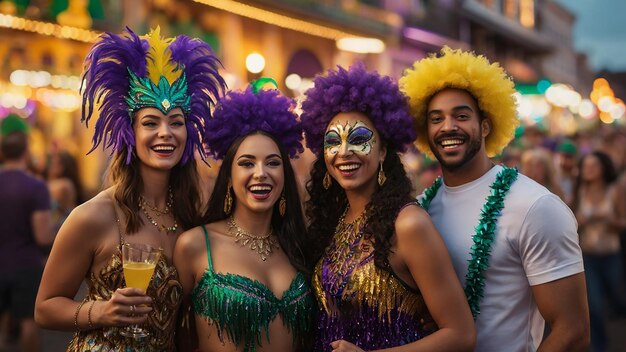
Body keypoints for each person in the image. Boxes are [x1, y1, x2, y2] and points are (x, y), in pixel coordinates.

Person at [34, 27, 225, 351]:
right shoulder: (92, 216)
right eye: (151, 122)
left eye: (175, 122)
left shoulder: (193, 217)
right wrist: (101, 311)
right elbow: (45, 307)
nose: (166, 133)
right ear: (130, 132)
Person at [400, 47, 590, 351]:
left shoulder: (534, 207)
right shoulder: (419, 208)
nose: (447, 126)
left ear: (486, 126)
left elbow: (573, 332)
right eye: (436, 119)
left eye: (461, 116)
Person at [301, 63, 475, 352]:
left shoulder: (408, 224)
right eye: (333, 142)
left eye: (358, 140)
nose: (344, 152)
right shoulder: (333, 221)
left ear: (383, 150)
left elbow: (461, 334)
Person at [174, 79, 314, 352]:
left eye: (273, 163)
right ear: (229, 178)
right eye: (247, 163)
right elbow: (173, 337)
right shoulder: (195, 245)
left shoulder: (299, 245)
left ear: (284, 176)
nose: (261, 173)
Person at [0, 126, 54, 352]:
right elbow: (42, 236)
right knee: (28, 322)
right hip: (26, 264)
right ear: (26, 152)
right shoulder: (36, 186)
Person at [572, 151, 626, 352]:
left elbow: (623, 221)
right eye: (586, 166)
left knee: (616, 295)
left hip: (611, 254)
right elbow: (573, 222)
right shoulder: (580, 191)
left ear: (603, 168)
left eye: (593, 166)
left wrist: (609, 221)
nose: (588, 170)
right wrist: (582, 222)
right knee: (593, 305)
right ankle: (599, 346)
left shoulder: (615, 190)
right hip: (588, 256)